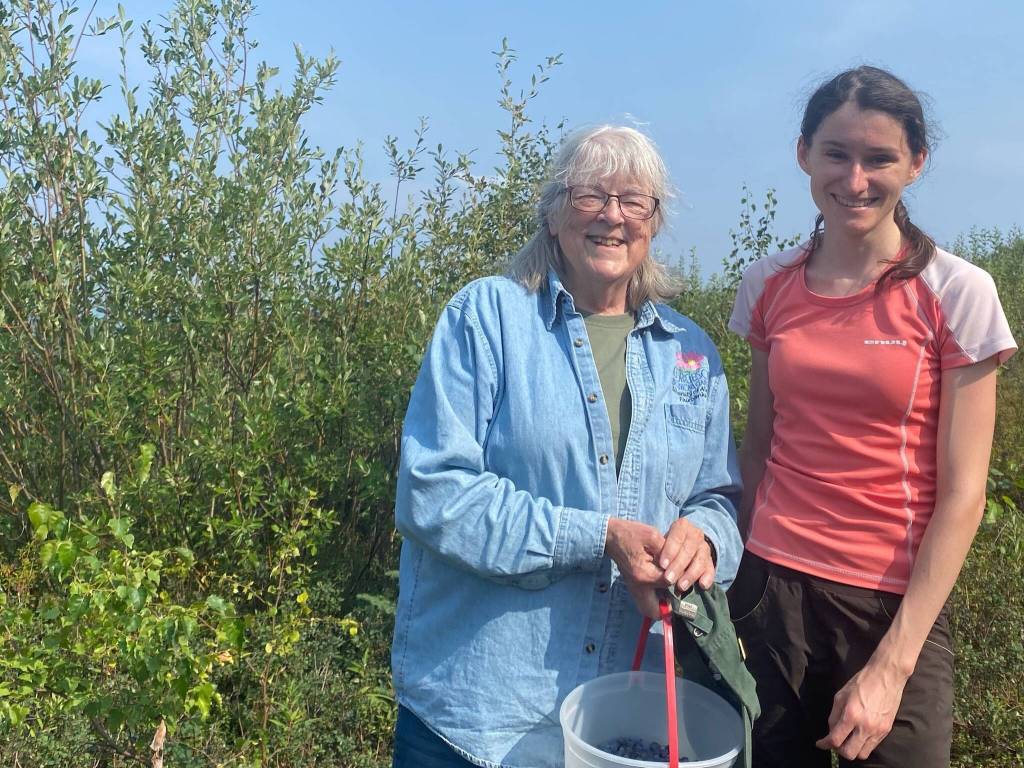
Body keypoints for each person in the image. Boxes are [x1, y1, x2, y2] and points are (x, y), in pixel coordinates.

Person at [391, 125, 744, 767]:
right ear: (554, 214)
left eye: (635, 200)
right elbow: (432, 492)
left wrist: (706, 537)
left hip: (618, 726)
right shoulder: (487, 318)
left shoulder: (691, 353)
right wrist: (597, 536)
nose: (613, 215)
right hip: (478, 722)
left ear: (654, 223)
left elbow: (717, 495)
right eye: (591, 196)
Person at [728, 66, 1017, 768]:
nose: (854, 179)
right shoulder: (768, 283)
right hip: (771, 588)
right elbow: (760, 443)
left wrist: (892, 668)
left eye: (879, 157)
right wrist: (732, 590)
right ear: (803, 155)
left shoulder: (958, 292)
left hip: (892, 603)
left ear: (916, 163)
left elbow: (964, 493)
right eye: (836, 154)